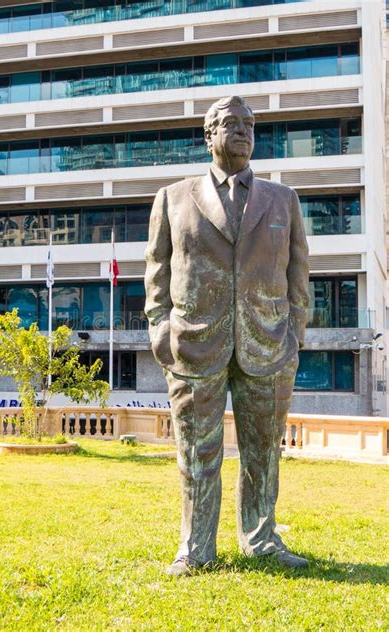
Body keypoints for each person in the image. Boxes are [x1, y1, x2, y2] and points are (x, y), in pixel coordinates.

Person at [144, 95, 310, 576]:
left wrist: (293, 332)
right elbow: (156, 271)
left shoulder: (283, 200)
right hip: (193, 345)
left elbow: (299, 272)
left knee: (263, 450)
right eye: (230, 124)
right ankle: (196, 548)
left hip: (268, 343)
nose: (241, 132)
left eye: (249, 125)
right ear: (208, 135)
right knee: (197, 452)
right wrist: (161, 330)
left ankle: (261, 538)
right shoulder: (173, 198)